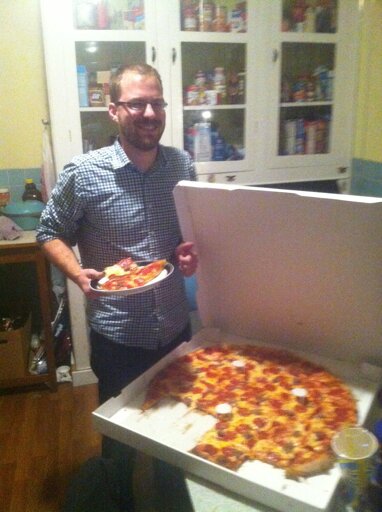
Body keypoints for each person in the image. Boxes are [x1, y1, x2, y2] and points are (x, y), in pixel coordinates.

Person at [36, 63, 198, 512]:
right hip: (118, 336)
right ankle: (119, 500)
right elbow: (49, 231)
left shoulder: (182, 165)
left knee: (176, 433)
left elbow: (191, 233)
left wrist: (188, 252)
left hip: (173, 330)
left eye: (156, 103)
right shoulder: (84, 172)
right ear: (113, 110)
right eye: (136, 103)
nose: (149, 113)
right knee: (119, 443)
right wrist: (76, 272)